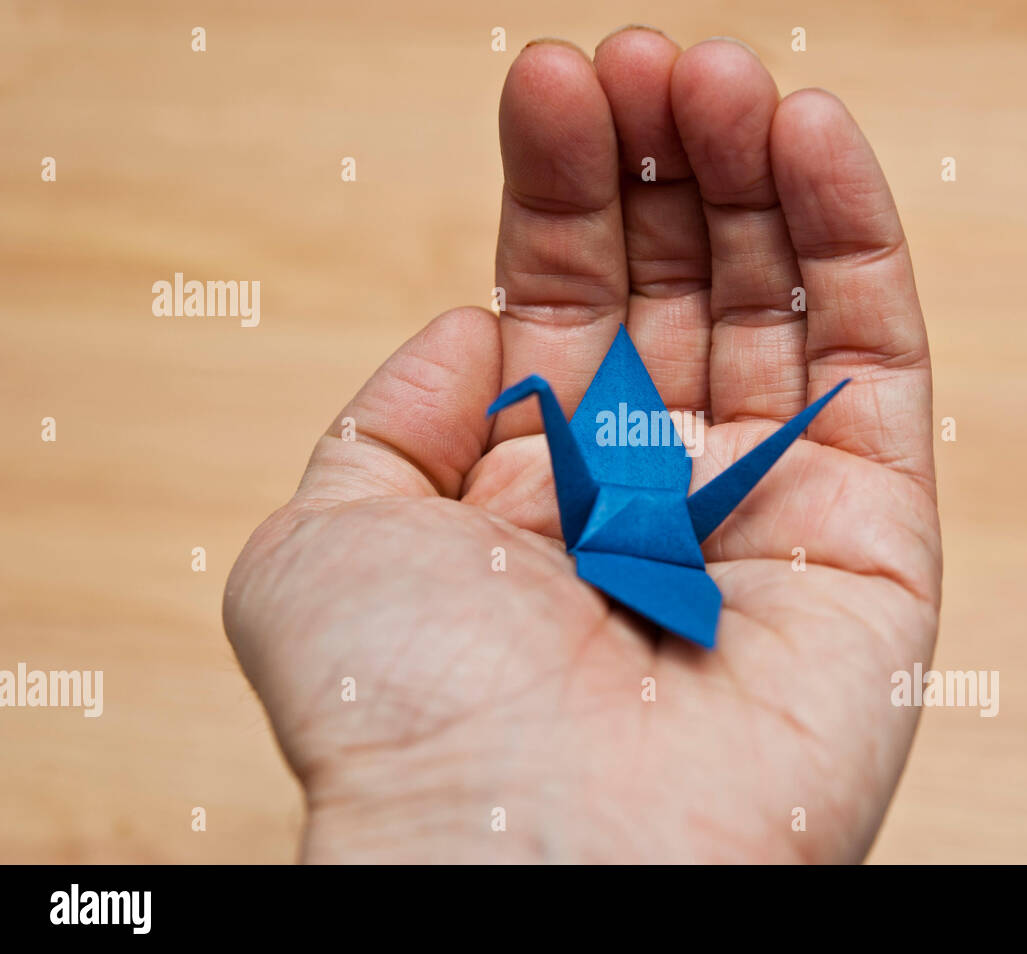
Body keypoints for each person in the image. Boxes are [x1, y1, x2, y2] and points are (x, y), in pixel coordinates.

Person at [223, 26, 941, 863]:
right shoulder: (618, 523)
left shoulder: (640, 534)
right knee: (735, 456)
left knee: (749, 457)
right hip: (634, 497)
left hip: (639, 502)